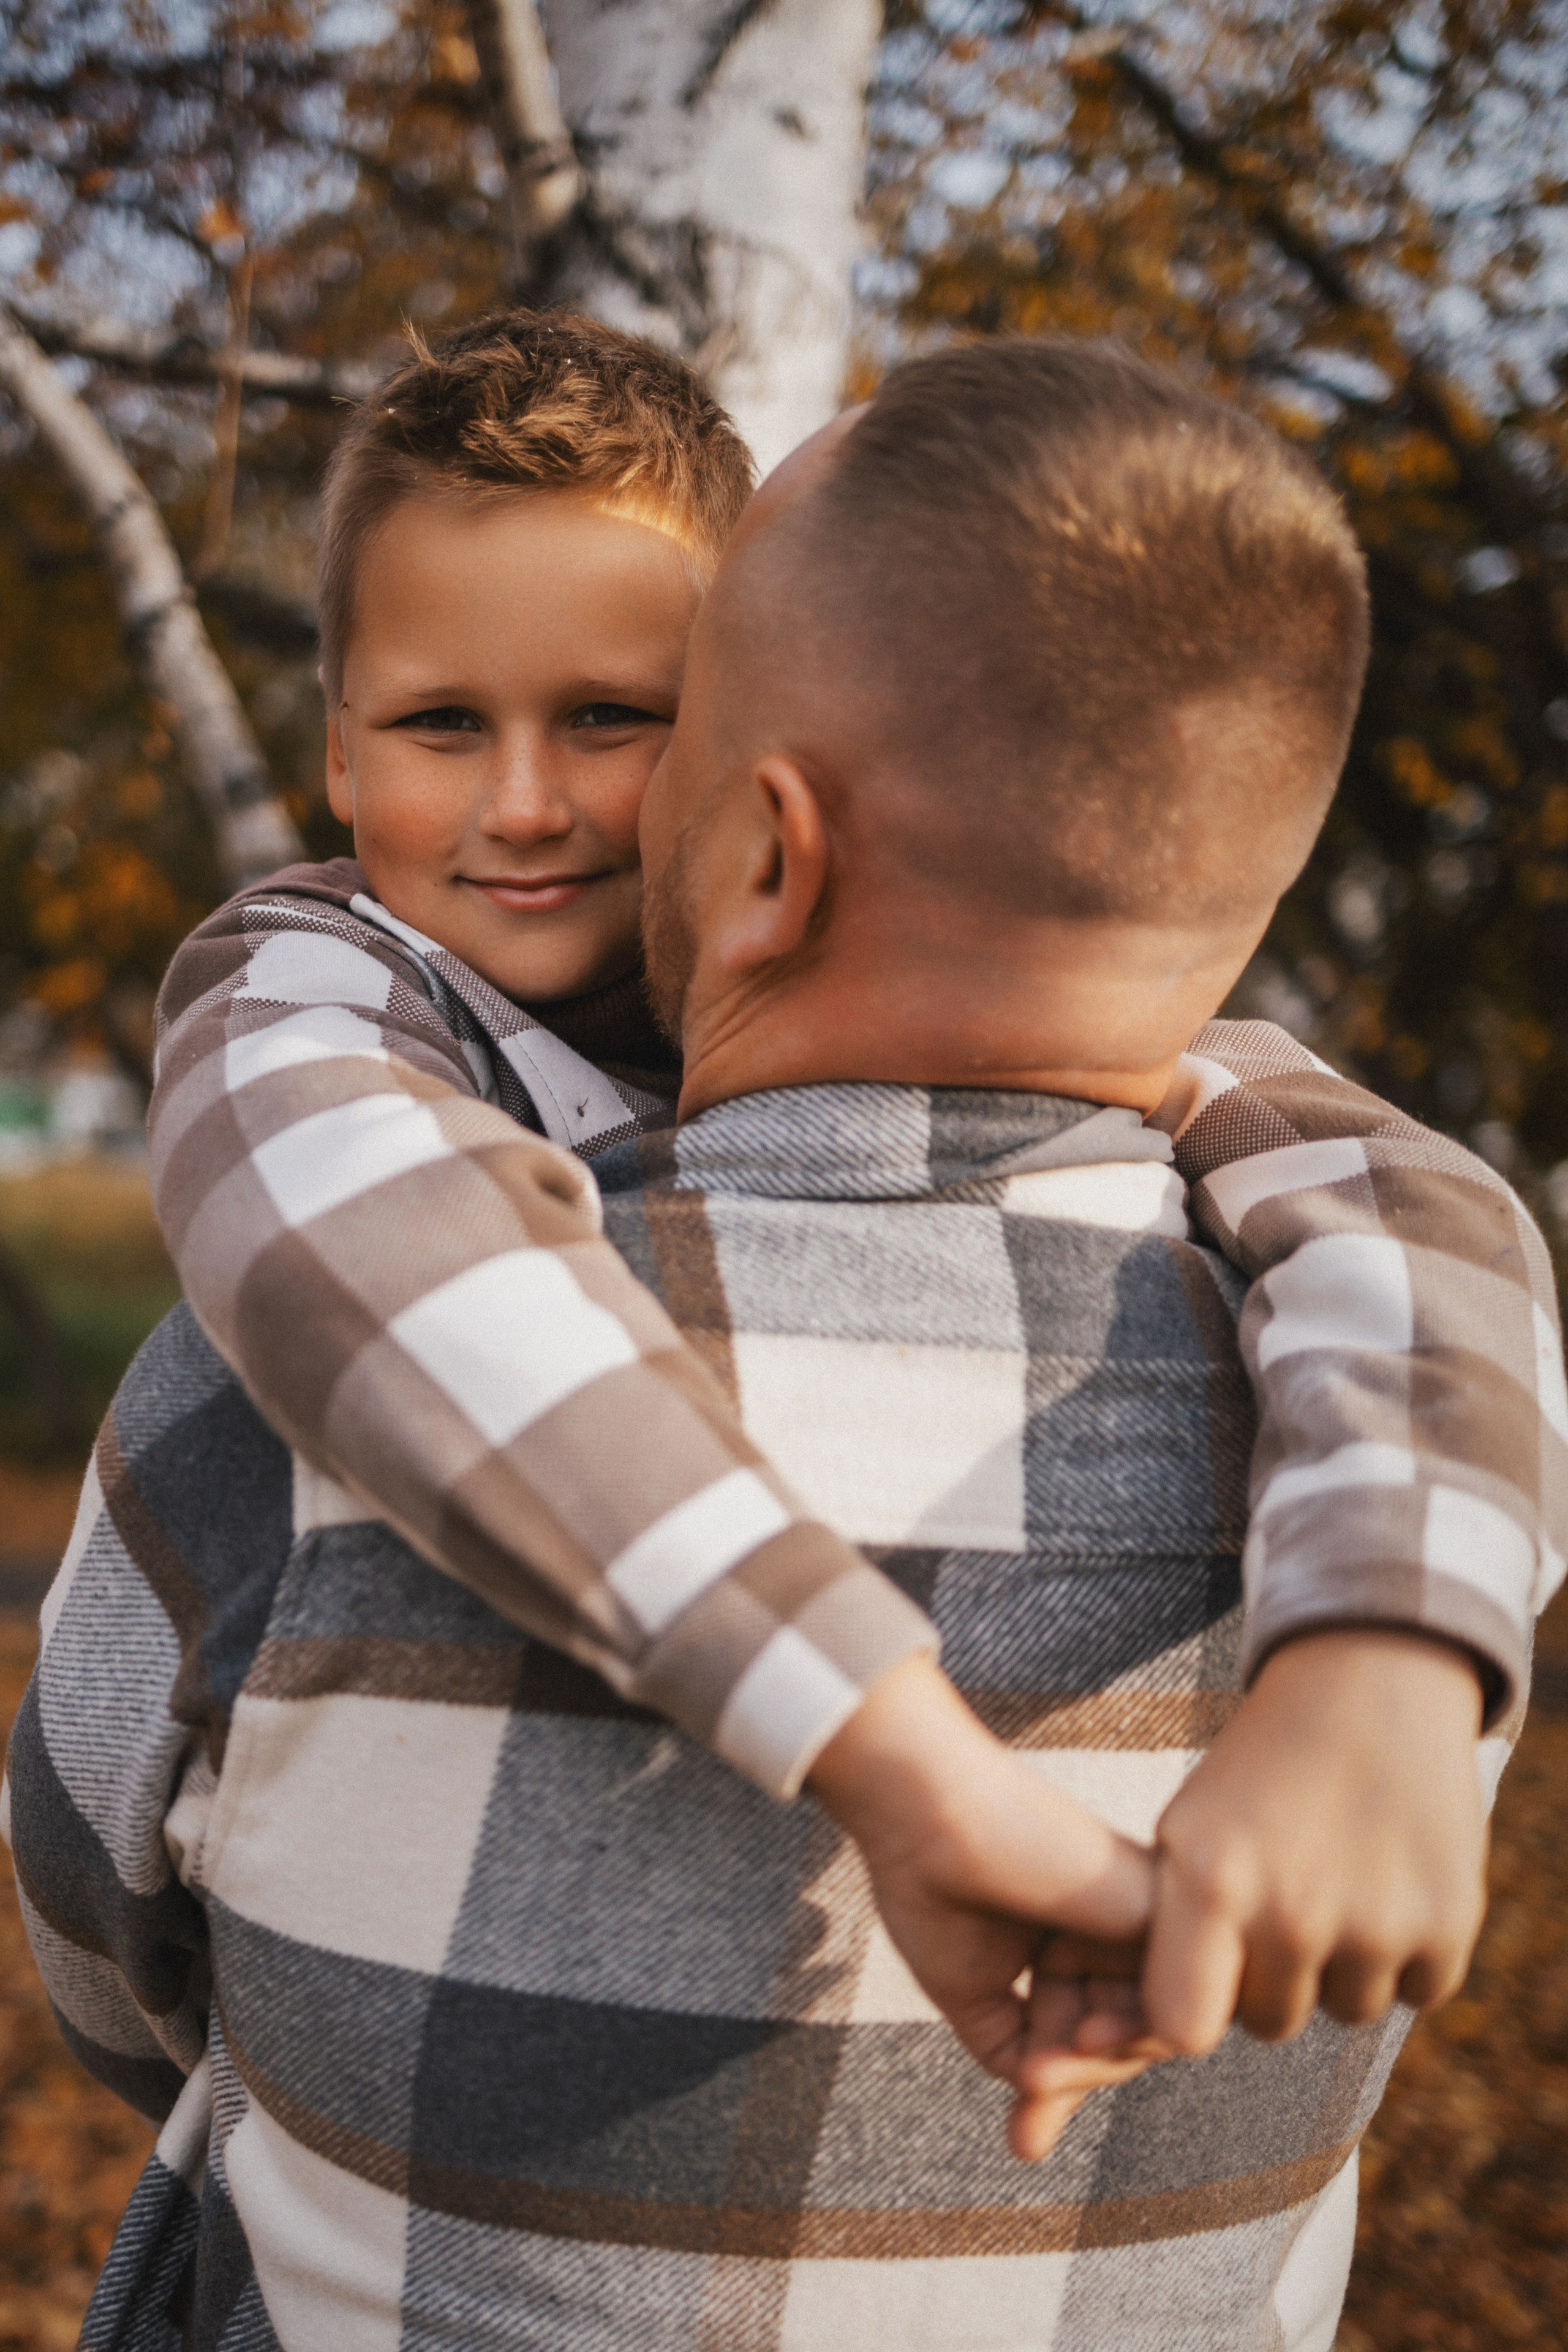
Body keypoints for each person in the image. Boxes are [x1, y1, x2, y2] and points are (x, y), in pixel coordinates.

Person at [10, 336, 1562, 2351]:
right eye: (439, 722)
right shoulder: (1385, 1453)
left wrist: (1375, 1665)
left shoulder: (253, 1434)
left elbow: (107, 1959)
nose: (532, 807)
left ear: (759, 844)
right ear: (335, 747)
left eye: (624, 721)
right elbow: (350, 1233)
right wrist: (1370, 1666)